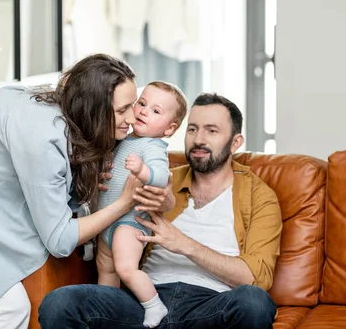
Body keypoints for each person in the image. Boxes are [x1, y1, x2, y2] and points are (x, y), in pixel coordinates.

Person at [0, 54, 175, 329]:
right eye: (122, 110)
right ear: (93, 106)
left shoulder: (67, 115)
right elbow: (59, 240)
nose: (132, 118)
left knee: (12, 307)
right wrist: (121, 203)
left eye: (134, 104)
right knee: (7, 309)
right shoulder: (42, 136)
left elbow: (60, 190)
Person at [39, 93, 283, 328]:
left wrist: (182, 243)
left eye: (212, 130)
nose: (199, 139)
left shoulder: (259, 196)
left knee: (254, 302)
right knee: (60, 302)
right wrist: (100, 187)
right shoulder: (158, 178)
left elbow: (256, 277)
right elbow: (112, 214)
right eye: (192, 129)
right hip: (143, 302)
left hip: (209, 306)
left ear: (235, 142)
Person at [96, 81, 187, 328]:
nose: (144, 111)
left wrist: (143, 170)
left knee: (125, 268)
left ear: (169, 128)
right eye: (142, 103)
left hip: (130, 222)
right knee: (106, 270)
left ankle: (154, 305)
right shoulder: (122, 138)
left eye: (156, 111)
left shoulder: (153, 147)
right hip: (106, 222)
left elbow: (160, 176)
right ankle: (107, 313)